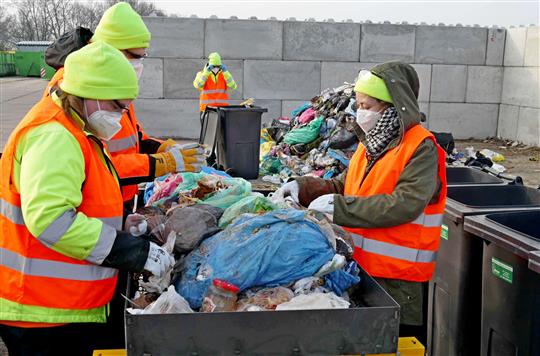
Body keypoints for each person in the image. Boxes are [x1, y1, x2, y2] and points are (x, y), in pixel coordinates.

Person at [0, 41, 174, 355]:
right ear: (89, 94)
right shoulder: (54, 137)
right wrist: (132, 251)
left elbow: (78, 199)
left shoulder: (78, 126)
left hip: (57, 303)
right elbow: (51, 219)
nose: (122, 117)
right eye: (117, 106)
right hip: (41, 312)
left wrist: (121, 221)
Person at [272, 61, 447, 344]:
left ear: (393, 106)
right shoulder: (371, 144)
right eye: (359, 104)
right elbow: (345, 184)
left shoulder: (421, 148)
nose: (359, 112)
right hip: (360, 269)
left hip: (399, 280)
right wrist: (303, 188)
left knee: (396, 343)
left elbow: (405, 203)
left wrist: (341, 209)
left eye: (367, 106)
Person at [44, 2, 205, 210]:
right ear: (111, 50)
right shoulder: (73, 86)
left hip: (118, 195)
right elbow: (96, 163)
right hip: (92, 206)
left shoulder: (111, 82)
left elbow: (132, 136)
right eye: (136, 56)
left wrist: (163, 148)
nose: (139, 64)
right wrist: (162, 163)